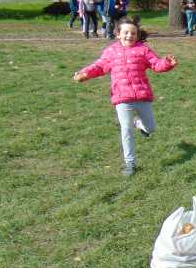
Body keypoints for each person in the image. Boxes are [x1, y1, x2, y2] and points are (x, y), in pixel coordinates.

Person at [73, 16, 177, 176]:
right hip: (122, 98)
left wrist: (167, 63)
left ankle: (137, 123)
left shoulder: (143, 50)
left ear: (137, 35)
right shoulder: (111, 52)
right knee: (126, 130)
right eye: (126, 32)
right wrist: (84, 73)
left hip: (142, 96)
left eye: (133, 33)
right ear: (118, 34)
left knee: (151, 128)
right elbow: (99, 66)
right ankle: (130, 163)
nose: (130, 36)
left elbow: (156, 64)